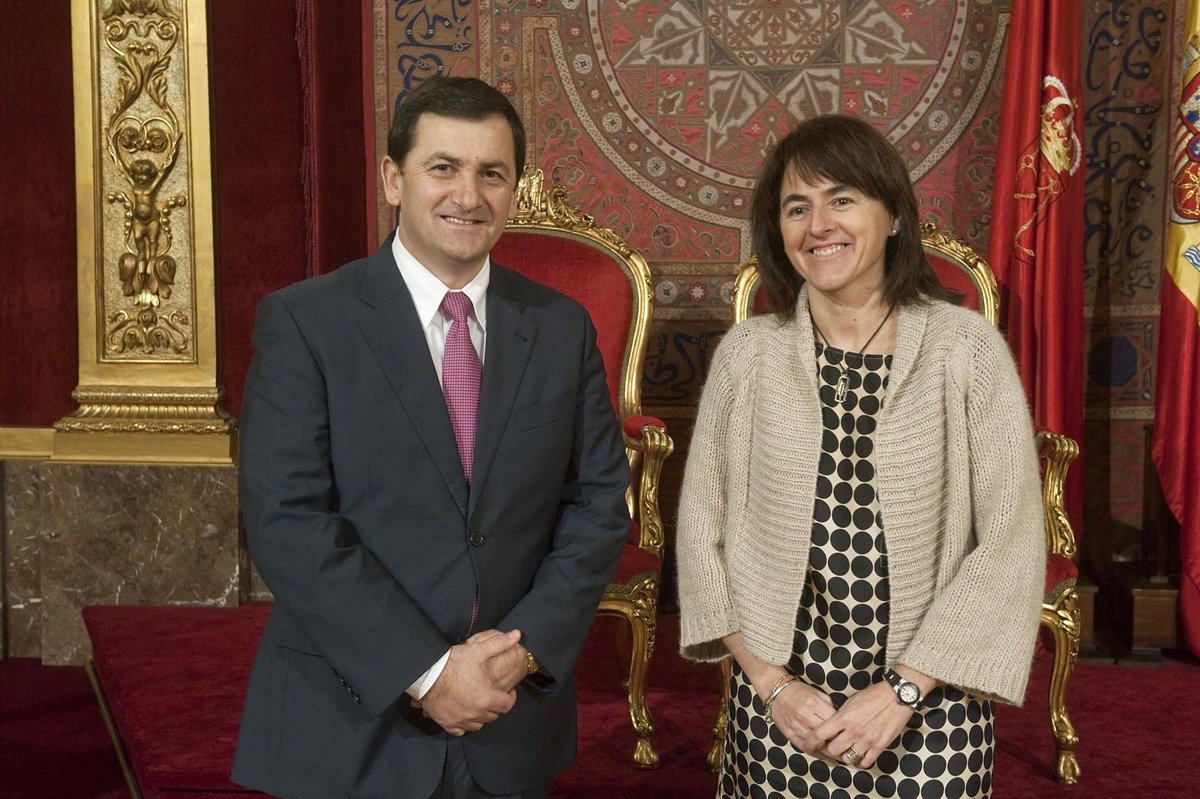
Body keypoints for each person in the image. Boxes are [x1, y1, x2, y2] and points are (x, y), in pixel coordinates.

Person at [231, 76, 630, 799]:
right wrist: (429, 670)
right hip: (350, 722)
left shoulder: (560, 326)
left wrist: (517, 655)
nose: (467, 195)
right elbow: (286, 518)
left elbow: (598, 504)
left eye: (492, 174)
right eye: (443, 167)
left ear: (514, 191)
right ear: (394, 179)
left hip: (508, 719)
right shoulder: (306, 322)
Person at [676, 115, 1046, 799]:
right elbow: (701, 531)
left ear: (895, 215)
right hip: (784, 706)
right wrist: (773, 685)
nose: (818, 225)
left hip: (933, 700)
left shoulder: (967, 350)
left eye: (841, 198)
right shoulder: (747, 356)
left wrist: (905, 687)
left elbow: (1011, 539)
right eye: (796, 207)